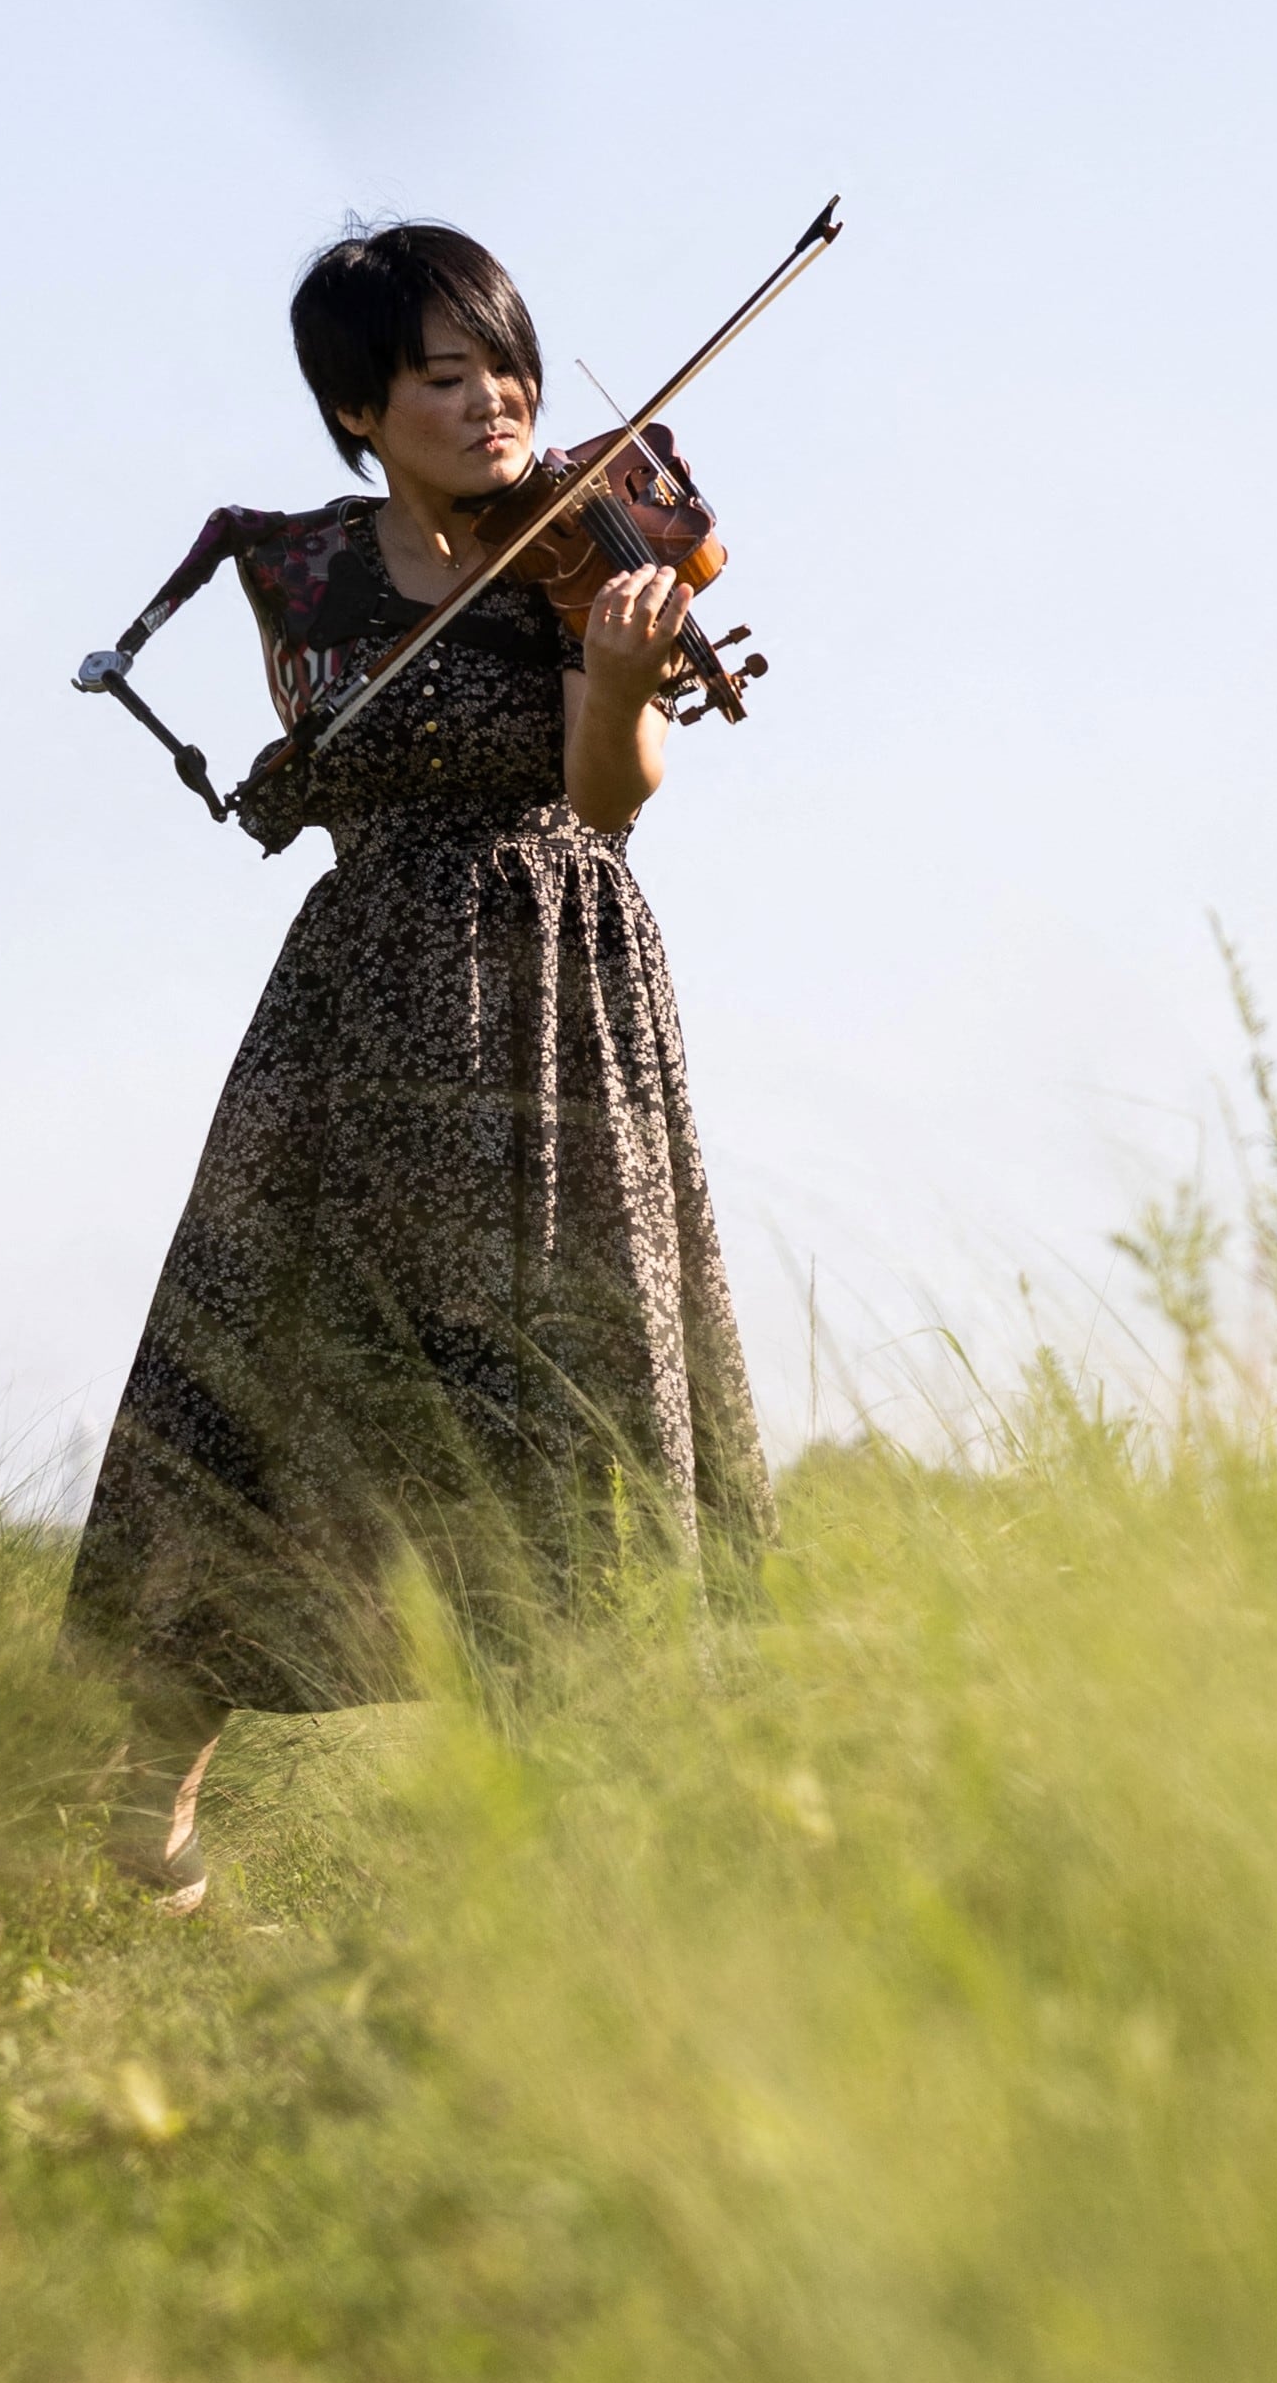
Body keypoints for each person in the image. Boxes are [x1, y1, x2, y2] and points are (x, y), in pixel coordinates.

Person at [67, 221, 771, 1912]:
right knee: (276, 1364)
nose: (495, 402)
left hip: (564, 990)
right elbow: (340, 747)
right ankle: (153, 1769)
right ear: (358, 411)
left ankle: (567, 1843)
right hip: (365, 997)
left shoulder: (600, 560)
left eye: (508, 366)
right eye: (443, 378)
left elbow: (610, 804)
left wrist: (612, 674)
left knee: (561, 1400)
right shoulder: (301, 574)